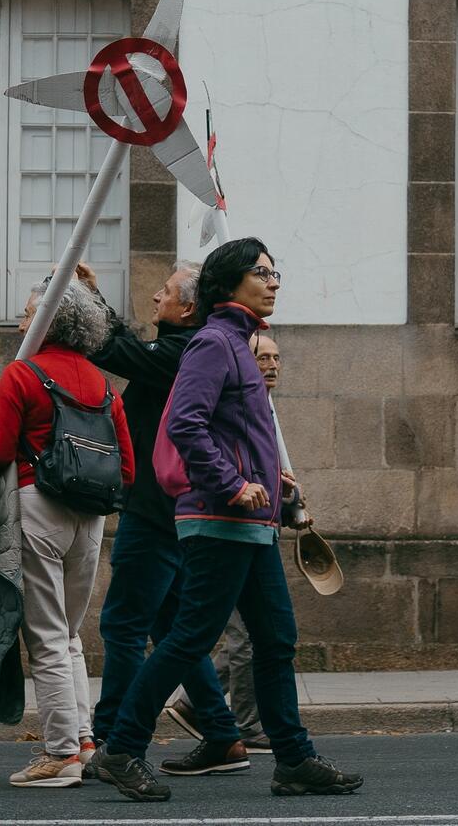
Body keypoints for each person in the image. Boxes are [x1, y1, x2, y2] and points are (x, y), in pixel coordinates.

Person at [89, 238, 363, 802]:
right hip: (218, 518)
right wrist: (234, 484)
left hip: (251, 524)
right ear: (230, 283)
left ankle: (292, 759)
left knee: (276, 638)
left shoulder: (241, 343)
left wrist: (273, 481)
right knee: (190, 637)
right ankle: (121, 748)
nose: (273, 281)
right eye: (261, 273)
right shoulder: (215, 342)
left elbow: (234, 431)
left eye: (274, 272)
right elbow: (187, 424)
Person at [76, 260, 253, 777]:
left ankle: (112, 737)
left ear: (190, 307)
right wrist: (94, 294)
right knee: (173, 626)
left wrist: (87, 299)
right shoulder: (181, 348)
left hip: (156, 510)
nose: (156, 298)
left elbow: (115, 349)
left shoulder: (183, 350)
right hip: (166, 507)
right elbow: (130, 347)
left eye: (166, 291)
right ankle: (222, 735)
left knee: (124, 624)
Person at [0, 279, 134, 789]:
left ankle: (59, 752)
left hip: (37, 505)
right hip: (91, 517)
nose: (21, 324)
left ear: (48, 321)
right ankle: (85, 740)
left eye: (29, 314)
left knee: (45, 637)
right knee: (69, 635)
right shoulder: (102, 383)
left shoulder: (21, 374)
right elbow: (127, 469)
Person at [186, 330, 319, 750]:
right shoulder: (234, 403)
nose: (272, 366)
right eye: (263, 358)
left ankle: (195, 705)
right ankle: (238, 721)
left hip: (261, 525)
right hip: (231, 523)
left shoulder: (265, 407)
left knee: (259, 633)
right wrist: (243, 489)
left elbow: (273, 468)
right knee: (230, 635)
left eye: (277, 358)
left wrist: (292, 503)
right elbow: (191, 432)